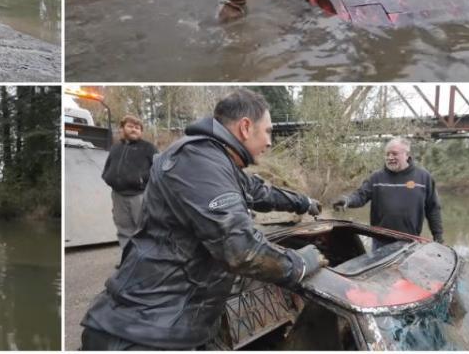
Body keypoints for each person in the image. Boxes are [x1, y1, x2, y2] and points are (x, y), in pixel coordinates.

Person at [81, 89, 326, 350]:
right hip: (142, 332)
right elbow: (242, 251)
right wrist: (299, 263)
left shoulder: (217, 161)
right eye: (267, 131)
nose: (269, 141)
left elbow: (259, 191)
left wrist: (304, 202)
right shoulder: (198, 160)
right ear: (245, 127)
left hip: (172, 325)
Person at [332, 137, 444, 247]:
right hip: (380, 242)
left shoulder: (424, 178)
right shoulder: (376, 177)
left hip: (410, 243)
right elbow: (361, 196)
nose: (390, 157)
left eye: (394, 154)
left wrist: (438, 235)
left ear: (407, 155)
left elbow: (433, 208)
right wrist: (347, 200)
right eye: (387, 154)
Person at [101, 115, 159, 252]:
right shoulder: (115, 148)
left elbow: (159, 169)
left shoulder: (148, 148)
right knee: (123, 230)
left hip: (140, 196)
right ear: (122, 128)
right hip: (118, 196)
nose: (134, 130)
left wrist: (141, 179)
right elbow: (108, 167)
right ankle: (127, 260)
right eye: (130, 126)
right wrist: (108, 177)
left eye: (137, 128)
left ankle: (145, 261)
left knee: (144, 230)